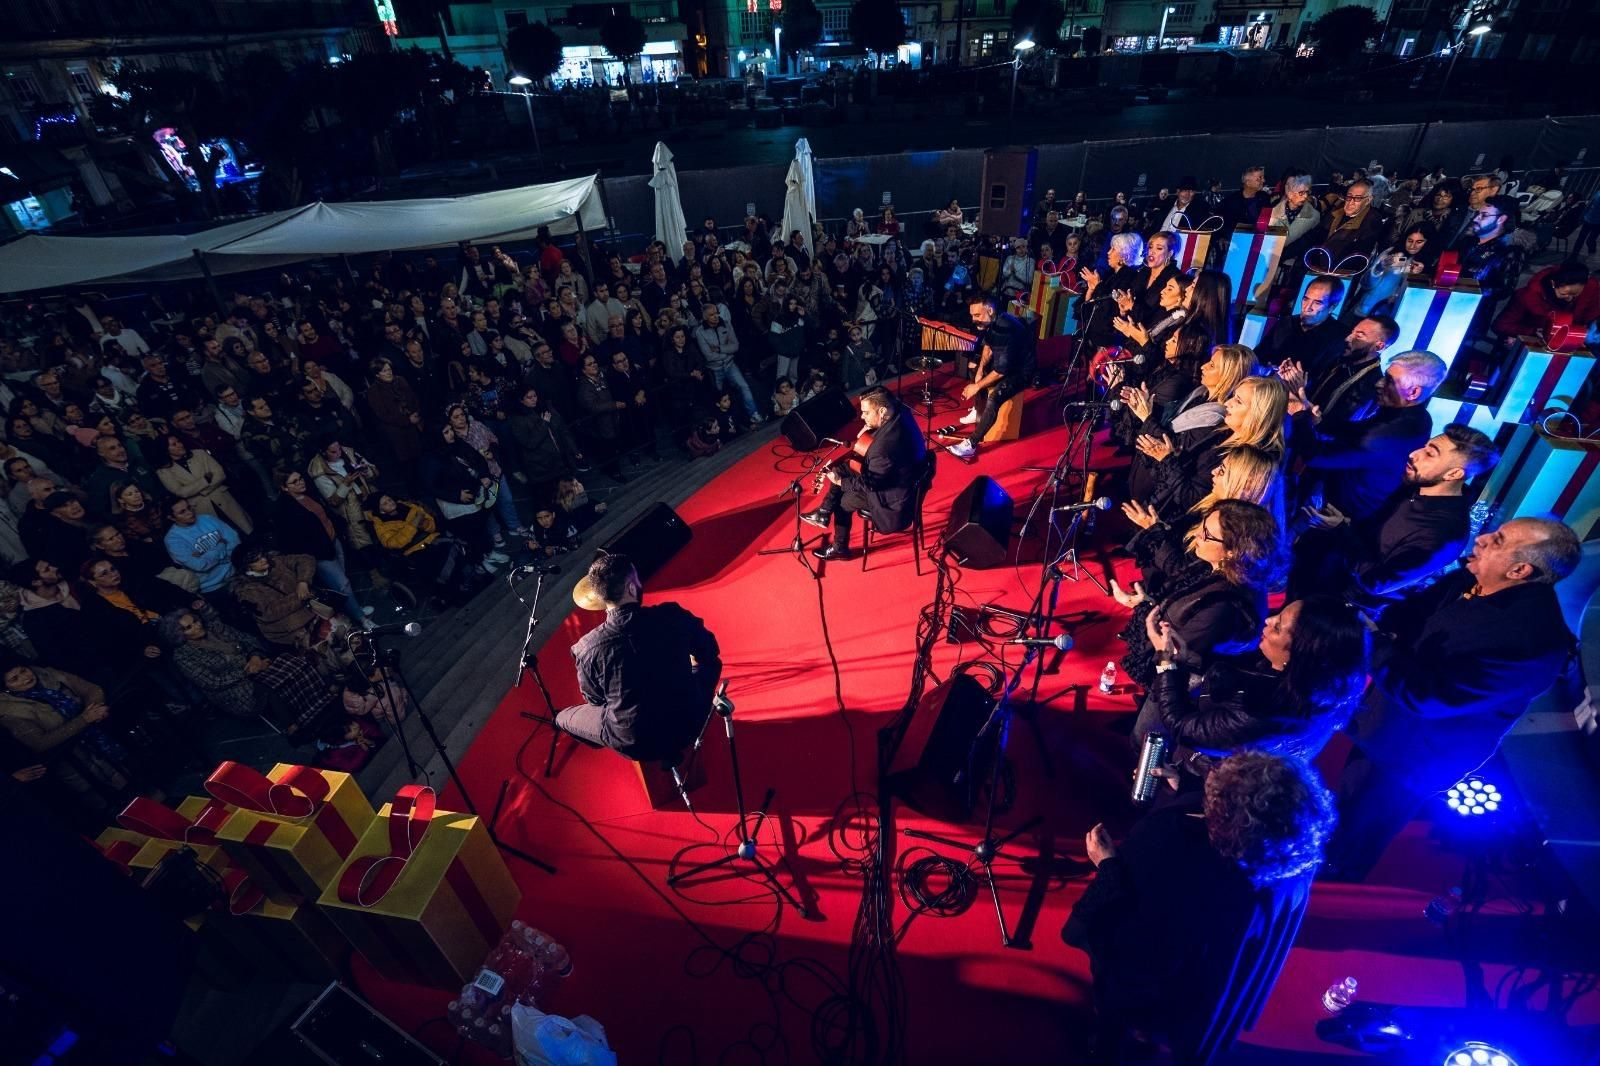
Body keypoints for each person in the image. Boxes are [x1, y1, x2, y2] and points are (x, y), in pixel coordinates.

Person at [1326, 518, 1581, 881]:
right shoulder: (1472, 578)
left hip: (1413, 756)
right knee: (1345, 797)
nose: (1481, 538)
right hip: (1383, 720)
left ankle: (1330, 878)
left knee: (1357, 826)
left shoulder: (1533, 644)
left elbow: (1427, 697)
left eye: (1498, 540)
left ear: (1520, 569)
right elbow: (1409, 617)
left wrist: (1374, 642)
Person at [1065, 752, 1334, 1066]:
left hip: (1155, 973)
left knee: (1117, 1007)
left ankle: (1108, 1047)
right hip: (1209, 980)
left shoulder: (1169, 839)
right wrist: (1186, 791)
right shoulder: (1290, 856)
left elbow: (1116, 925)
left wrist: (1107, 863)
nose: (1210, 776)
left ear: (1223, 811)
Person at [1144, 596, 1371, 772]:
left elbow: (1182, 727)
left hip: (1213, 781)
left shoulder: (1260, 709)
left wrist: (1166, 661)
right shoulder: (1322, 687)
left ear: (1300, 655)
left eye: (1279, 627)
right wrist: (1187, 661)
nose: (1268, 620)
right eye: (1278, 615)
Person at [1290, 424, 1496, 607]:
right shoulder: (1415, 487)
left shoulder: (1446, 532)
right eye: (1424, 446)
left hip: (1336, 603)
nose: (1414, 454)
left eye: (1430, 454)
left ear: (1454, 474)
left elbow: (1377, 582)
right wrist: (1343, 524)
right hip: (1319, 572)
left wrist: (1341, 530)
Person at [555, 553, 722, 764]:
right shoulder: (672, 615)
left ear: (599, 596)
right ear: (632, 588)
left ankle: (611, 736)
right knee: (711, 664)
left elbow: (595, 700)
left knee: (562, 718)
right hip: (691, 721)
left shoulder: (587, 648)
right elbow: (710, 652)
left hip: (636, 742)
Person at [1112, 499, 1280, 689]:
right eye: (1203, 525)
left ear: (1233, 551)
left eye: (1207, 534)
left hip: (1179, 691)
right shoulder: (1216, 569)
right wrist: (1147, 602)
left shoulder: (1223, 607)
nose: (1198, 535)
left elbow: (1175, 660)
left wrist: (1143, 609)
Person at [1296, 350, 1447, 522]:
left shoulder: (1387, 435)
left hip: (1343, 517)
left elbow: (1314, 456)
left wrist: (1299, 413)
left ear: (1413, 392)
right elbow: (1357, 430)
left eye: (1389, 381)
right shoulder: (1418, 417)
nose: (1379, 383)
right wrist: (1320, 421)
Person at [801, 386, 928, 562]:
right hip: (899, 474)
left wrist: (840, 483)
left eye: (866, 413)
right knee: (842, 468)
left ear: (882, 411)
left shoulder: (884, 447)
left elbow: (870, 484)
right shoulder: (899, 410)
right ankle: (823, 512)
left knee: (843, 502)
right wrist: (870, 430)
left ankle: (840, 549)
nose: (862, 417)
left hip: (892, 498)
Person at [945, 295, 1035, 461]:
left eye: (977, 315)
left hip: (1021, 372)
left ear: (990, 310)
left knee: (994, 398)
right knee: (974, 366)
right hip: (1006, 364)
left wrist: (976, 386)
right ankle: (979, 409)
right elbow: (988, 345)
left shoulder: (1005, 328)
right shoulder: (993, 322)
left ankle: (971, 444)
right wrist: (979, 371)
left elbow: (1001, 371)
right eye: (972, 316)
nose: (974, 320)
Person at [155, 434, 253, 534]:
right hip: (201, 507)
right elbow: (181, 492)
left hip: (222, 497)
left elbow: (220, 474)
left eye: (179, 441)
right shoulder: (164, 471)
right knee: (222, 535)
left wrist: (200, 490)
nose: (179, 445)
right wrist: (205, 480)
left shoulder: (199, 454)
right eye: (174, 444)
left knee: (244, 527)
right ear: (166, 450)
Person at [1256, 279, 1346, 377]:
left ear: (1332, 307)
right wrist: (1265, 369)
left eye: (1317, 303)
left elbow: (1323, 379)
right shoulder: (1285, 323)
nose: (1307, 307)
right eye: (1306, 299)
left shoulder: (1339, 336)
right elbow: (1258, 356)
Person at [162, 497, 240, 595]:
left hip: (237, 572)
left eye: (189, 507)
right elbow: (200, 565)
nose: (190, 512)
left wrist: (206, 555)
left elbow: (234, 541)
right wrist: (221, 545)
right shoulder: (172, 540)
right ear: (171, 518)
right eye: (182, 512)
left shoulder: (207, 518)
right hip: (214, 587)